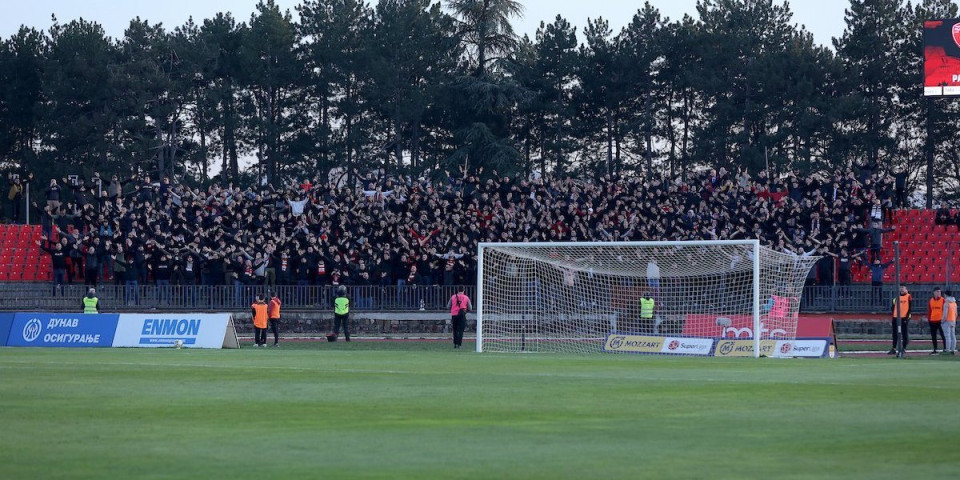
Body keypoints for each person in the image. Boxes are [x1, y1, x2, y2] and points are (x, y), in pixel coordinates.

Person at [890, 285, 911, 357]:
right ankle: (894, 348)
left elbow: (910, 308)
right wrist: (893, 316)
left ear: (906, 289)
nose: (901, 289)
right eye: (900, 288)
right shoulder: (896, 297)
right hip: (896, 317)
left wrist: (907, 317)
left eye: (903, 288)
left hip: (904, 317)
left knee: (904, 333)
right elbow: (892, 307)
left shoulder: (908, 296)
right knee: (895, 333)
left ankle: (904, 348)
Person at [927, 287, 946, 355]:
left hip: (940, 321)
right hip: (932, 320)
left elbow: (945, 311)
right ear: (934, 292)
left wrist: (944, 319)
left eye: (940, 292)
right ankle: (935, 349)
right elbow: (930, 311)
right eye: (937, 291)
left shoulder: (943, 300)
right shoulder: (931, 300)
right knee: (933, 336)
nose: (939, 293)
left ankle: (945, 349)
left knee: (943, 335)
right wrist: (929, 319)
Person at [942, 290, 957, 355]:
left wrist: (942, 321)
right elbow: (956, 313)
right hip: (953, 320)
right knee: (953, 336)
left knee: (947, 336)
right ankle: (953, 349)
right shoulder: (954, 303)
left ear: (945, 295)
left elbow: (945, 314)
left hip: (947, 321)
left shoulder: (946, 303)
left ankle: (947, 349)